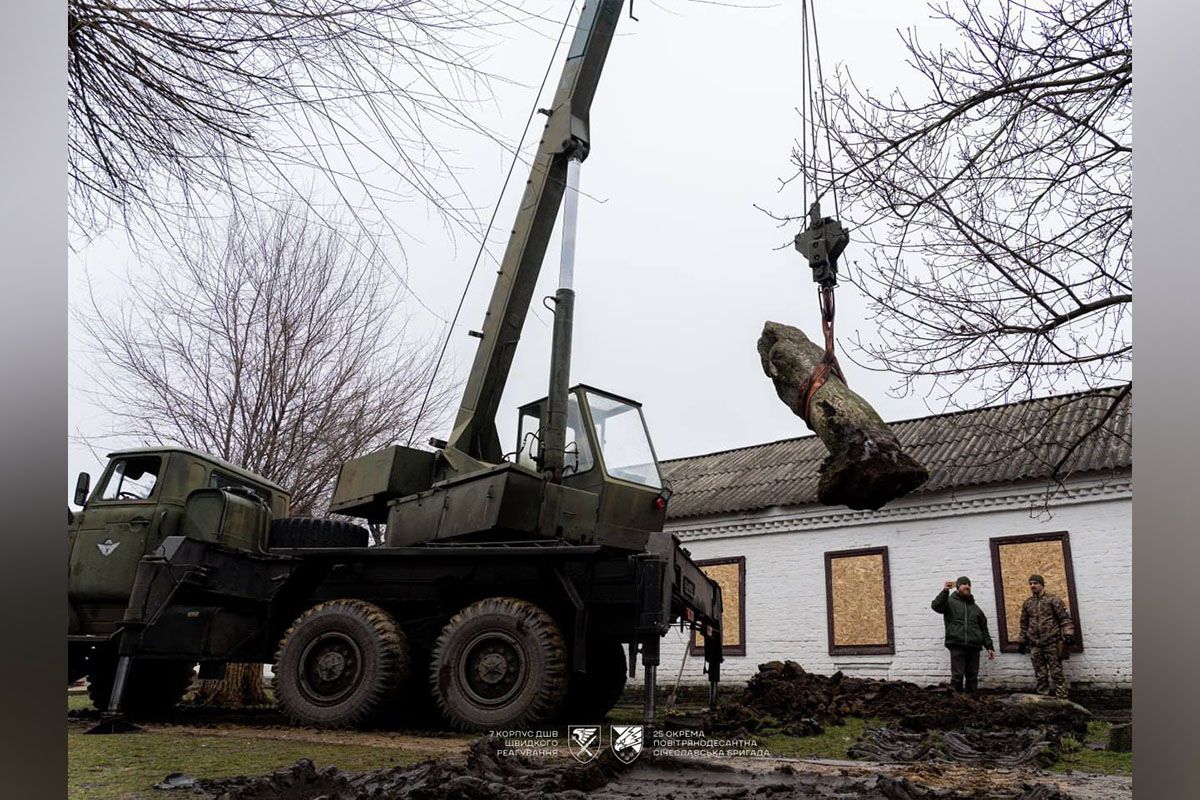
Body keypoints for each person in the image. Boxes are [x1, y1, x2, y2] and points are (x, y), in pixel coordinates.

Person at [931, 576, 995, 693]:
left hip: (974, 646)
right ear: (957, 586)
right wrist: (945, 591)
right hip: (957, 644)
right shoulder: (949, 602)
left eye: (969, 584)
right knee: (957, 676)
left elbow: (983, 629)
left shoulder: (976, 609)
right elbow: (936, 606)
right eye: (964, 584)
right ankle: (956, 702)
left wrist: (989, 647)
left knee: (972, 676)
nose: (967, 586)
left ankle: (972, 701)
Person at [1018, 574, 1075, 699]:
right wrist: (1022, 641)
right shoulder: (1028, 603)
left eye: (1035, 583)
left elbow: (1064, 619)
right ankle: (1043, 701)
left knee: (1057, 674)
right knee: (1040, 675)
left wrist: (1068, 634)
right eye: (1030, 583)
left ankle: (1063, 700)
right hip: (1035, 645)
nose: (1032, 585)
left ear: (1042, 584)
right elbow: (1024, 623)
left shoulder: (1053, 600)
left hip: (1052, 644)